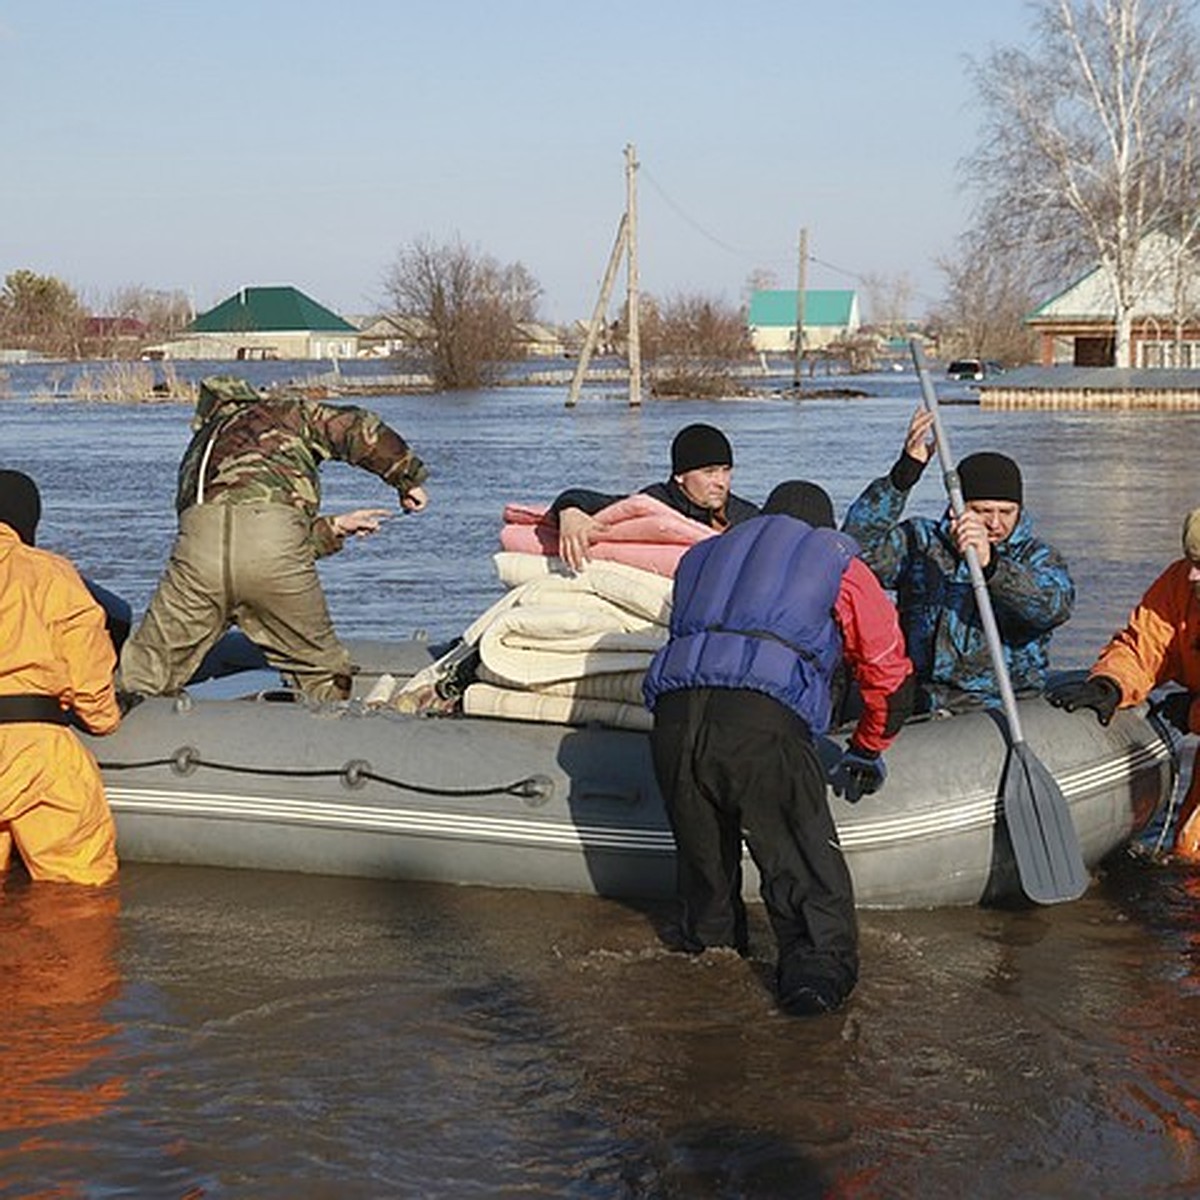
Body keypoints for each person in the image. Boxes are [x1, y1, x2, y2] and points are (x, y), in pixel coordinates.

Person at [642, 480, 916, 1016]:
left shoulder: (705, 558)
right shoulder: (835, 562)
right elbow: (886, 670)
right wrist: (868, 744)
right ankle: (814, 987)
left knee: (706, 872)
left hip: (674, 723)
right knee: (803, 864)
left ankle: (710, 972)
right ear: (822, 528)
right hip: (760, 724)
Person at [118, 375, 429, 703]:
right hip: (272, 553)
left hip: (197, 560)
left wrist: (335, 527)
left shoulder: (198, 450)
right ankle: (331, 733)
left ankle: (114, 731)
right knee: (319, 671)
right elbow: (355, 427)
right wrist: (407, 479)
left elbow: (230, 543)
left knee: (147, 672)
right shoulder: (285, 414)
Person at [842, 407, 1074, 711]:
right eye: (981, 511)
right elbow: (856, 551)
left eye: (1006, 513)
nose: (994, 523)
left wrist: (992, 567)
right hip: (920, 695)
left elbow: (1053, 607)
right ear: (957, 506)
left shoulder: (1036, 556)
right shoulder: (921, 542)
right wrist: (903, 476)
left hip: (1000, 702)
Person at [1047, 507, 1200, 861]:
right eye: (1191, 561)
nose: (1193, 574)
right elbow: (1143, 645)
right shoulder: (1182, 584)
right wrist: (1111, 683)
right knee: (1189, 851)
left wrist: (1192, 713)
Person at [0, 469, 121, 885]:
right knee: (76, 891)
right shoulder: (49, 573)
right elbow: (88, 670)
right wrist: (106, 719)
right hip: (37, 746)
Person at [549, 422, 759, 570]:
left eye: (725, 470)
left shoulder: (745, 515)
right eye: (709, 472)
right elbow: (590, 499)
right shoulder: (655, 502)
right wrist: (569, 511)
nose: (721, 482)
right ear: (680, 475)